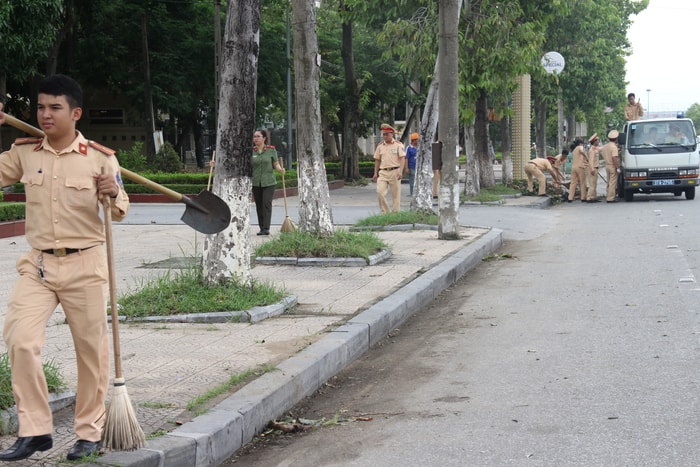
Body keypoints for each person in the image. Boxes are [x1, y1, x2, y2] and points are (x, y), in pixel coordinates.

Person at [0, 74, 129, 461]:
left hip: (86, 264)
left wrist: (112, 193)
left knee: (91, 353)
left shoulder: (101, 157)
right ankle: (35, 430)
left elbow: (120, 209)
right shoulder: (23, 152)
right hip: (38, 266)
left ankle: (89, 432)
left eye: (55, 108)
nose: (45, 114)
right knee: (21, 341)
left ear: (75, 113)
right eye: (40, 107)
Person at [252, 129, 285, 235]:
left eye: (258, 136)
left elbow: (275, 163)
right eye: (254, 137)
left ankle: (266, 228)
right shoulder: (252, 151)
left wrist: (280, 169)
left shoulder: (271, 150)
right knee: (259, 205)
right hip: (256, 182)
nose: (255, 139)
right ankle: (261, 227)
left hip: (269, 182)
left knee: (266, 203)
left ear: (264, 138)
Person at [372, 123, 405, 212]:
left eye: (387, 134)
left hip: (395, 171)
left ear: (392, 134)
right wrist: (375, 173)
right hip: (383, 172)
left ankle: (395, 213)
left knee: (396, 194)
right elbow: (377, 160)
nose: (385, 136)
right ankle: (385, 212)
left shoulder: (398, 145)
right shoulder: (380, 146)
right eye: (384, 134)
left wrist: (401, 171)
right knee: (380, 192)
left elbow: (402, 159)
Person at [601, 130, 620, 203]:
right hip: (612, 166)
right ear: (616, 138)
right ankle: (611, 198)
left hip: (607, 166)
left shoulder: (606, 146)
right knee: (613, 183)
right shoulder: (614, 147)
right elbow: (614, 158)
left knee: (609, 182)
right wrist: (617, 167)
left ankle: (608, 195)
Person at [567, 138, 589, 203]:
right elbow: (582, 151)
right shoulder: (580, 147)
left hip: (573, 167)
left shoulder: (574, 150)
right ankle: (583, 197)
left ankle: (570, 198)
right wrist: (587, 158)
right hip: (580, 167)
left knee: (573, 183)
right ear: (581, 143)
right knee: (582, 182)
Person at [585, 134, 601, 203]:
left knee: (594, 184)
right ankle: (589, 197)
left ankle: (594, 197)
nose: (598, 142)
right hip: (593, 168)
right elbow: (590, 161)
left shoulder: (595, 149)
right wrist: (592, 169)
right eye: (597, 140)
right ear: (594, 141)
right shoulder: (591, 150)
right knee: (592, 184)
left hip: (595, 167)